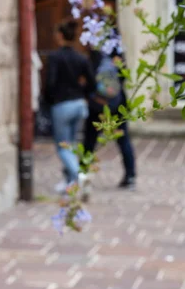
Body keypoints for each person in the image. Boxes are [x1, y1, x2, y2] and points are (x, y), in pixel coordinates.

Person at [44, 19, 95, 193]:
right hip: (79, 104)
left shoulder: (55, 58)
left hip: (62, 105)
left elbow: (50, 83)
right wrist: (83, 93)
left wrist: (49, 100)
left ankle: (79, 176)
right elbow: (92, 83)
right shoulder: (81, 58)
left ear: (59, 36)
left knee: (63, 146)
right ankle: (70, 182)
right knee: (72, 144)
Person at [83, 41, 137, 190]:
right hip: (118, 104)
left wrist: (90, 95)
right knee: (123, 139)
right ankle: (131, 176)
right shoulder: (117, 54)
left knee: (89, 141)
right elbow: (124, 77)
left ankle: (82, 175)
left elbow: (89, 80)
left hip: (97, 105)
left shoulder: (95, 56)